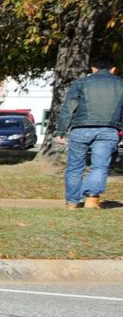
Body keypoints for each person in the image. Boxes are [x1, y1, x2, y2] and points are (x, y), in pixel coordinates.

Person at [56, 56, 122, 209]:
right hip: (108, 129)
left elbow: (68, 108)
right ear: (113, 69)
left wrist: (61, 130)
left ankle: (72, 203)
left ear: (93, 68)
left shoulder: (80, 83)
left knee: (74, 167)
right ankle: (92, 200)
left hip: (80, 129)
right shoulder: (120, 84)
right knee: (99, 166)